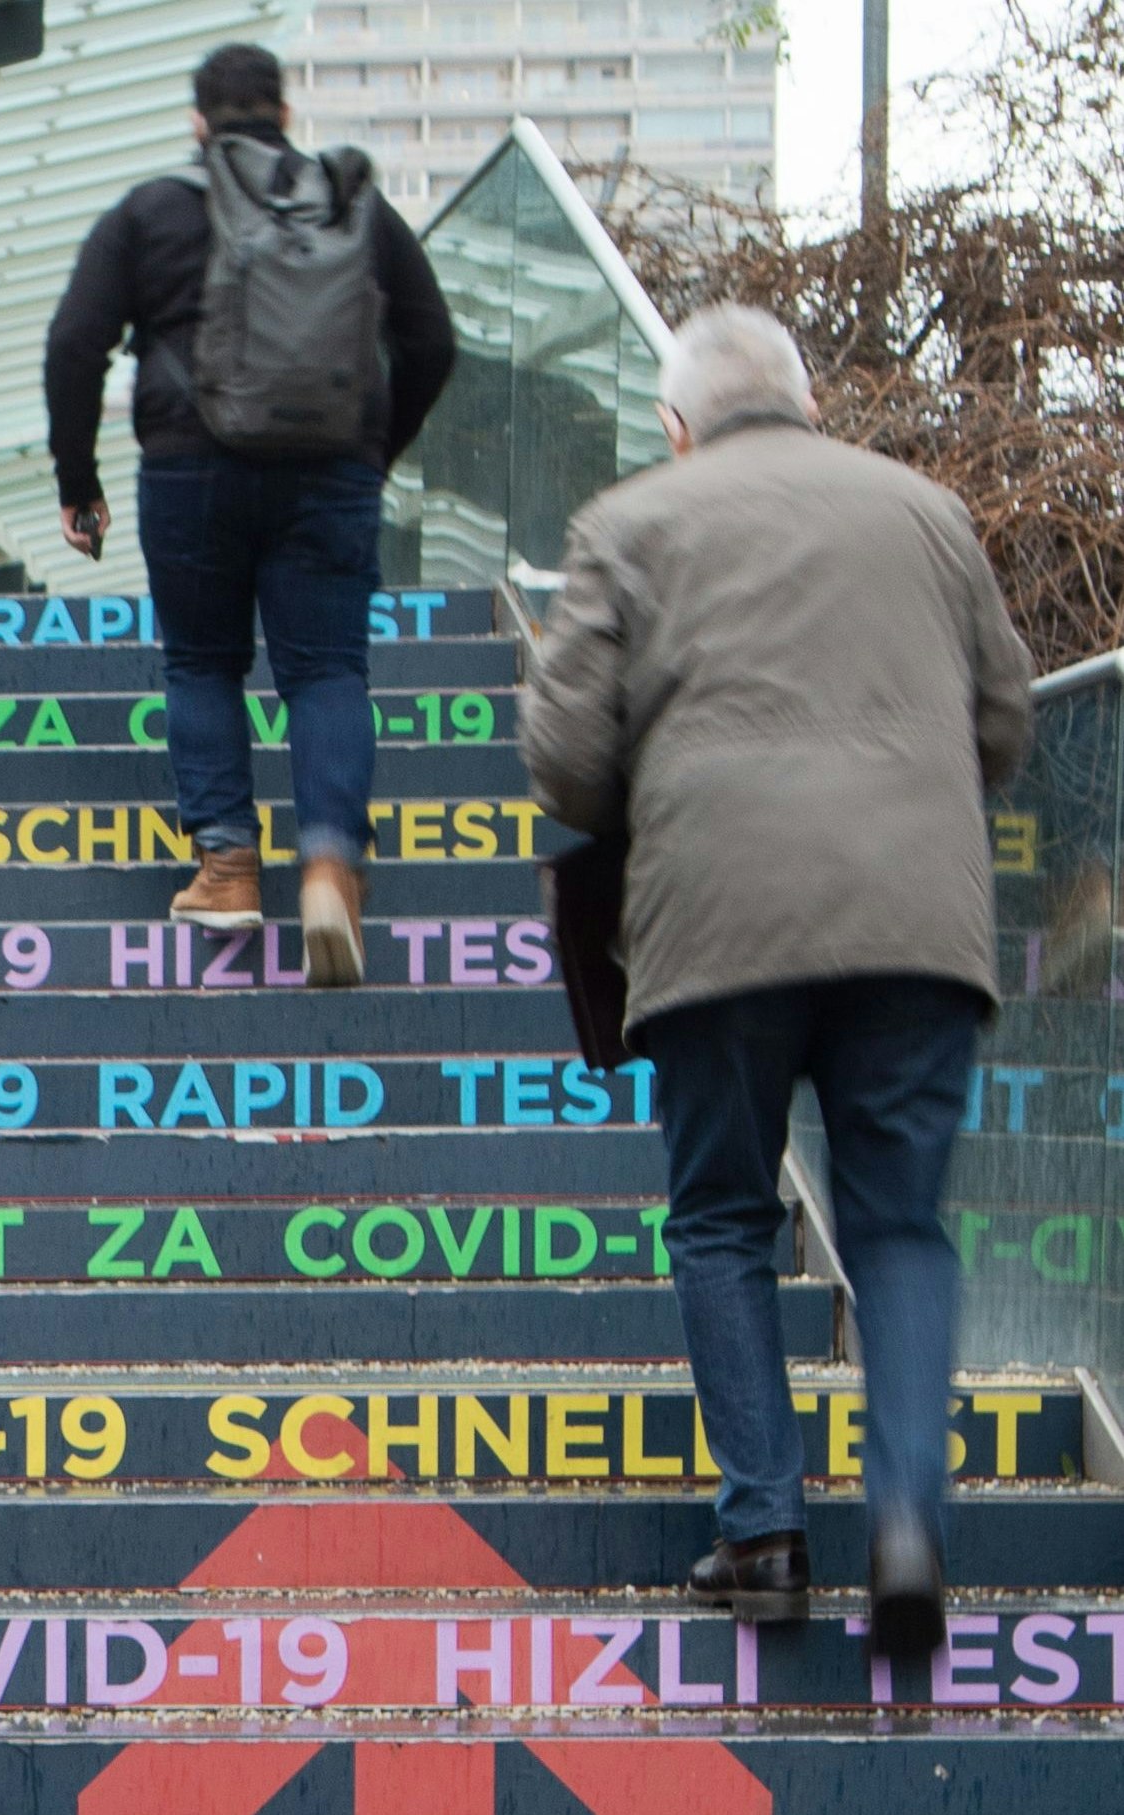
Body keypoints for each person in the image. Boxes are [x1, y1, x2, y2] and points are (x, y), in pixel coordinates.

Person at [521, 305, 1034, 1660]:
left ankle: (763, 1534)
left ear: (677, 424)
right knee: (901, 1230)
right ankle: (907, 1519)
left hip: (716, 924)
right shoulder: (924, 509)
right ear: (807, 405)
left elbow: (567, 761)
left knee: (721, 1220)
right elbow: (1003, 718)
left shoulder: (630, 521)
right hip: (915, 926)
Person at [43, 42, 455, 984]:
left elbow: (74, 344)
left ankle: (228, 867)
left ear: (199, 122)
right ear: (284, 113)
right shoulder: (354, 207)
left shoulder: (149, 213)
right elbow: (431, 338)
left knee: (201, 660)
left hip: (189, 472)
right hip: (328, 476)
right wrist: (367, 451)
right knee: (324, 674)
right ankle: (327, 870)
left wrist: (79, 481)